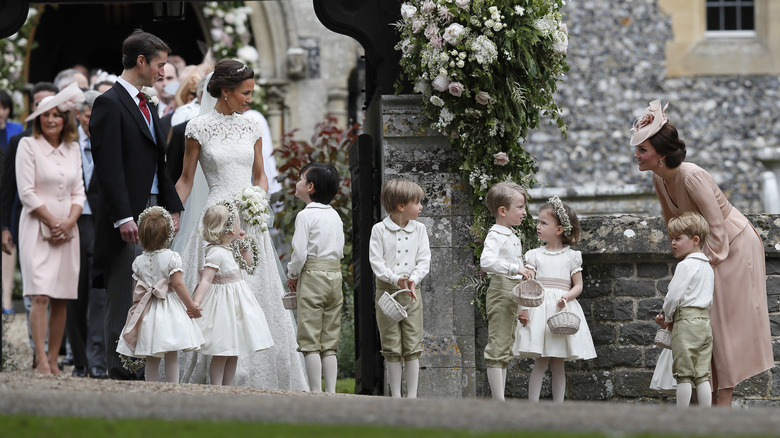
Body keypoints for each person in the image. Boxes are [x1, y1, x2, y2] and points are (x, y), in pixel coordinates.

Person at [175, 59, 308, 390]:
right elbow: (186, 179)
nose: (250, 100)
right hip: (215, 218)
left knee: (251, 289)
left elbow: (261, 174)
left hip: (248, 221)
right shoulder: (197, 128)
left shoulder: (252, 127)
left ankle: (255, 372)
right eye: (245, 93)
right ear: (225, 91)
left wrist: (258, 201)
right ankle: (210, 369)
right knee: (214, 287)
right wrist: (171, 216)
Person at [631, 99, 774, 406]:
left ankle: (720, 403)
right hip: (705, 251)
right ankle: (698, 397)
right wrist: (687, 261)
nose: (636, 156)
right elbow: (675, 223)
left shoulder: (691, 175)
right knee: (699, 319)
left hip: (734, 246)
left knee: (721, 324)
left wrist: (700, 264)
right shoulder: (659, 177)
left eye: (642, 150)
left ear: (661, 154)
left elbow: (718, 228)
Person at [89, 29, 184, 380]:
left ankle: (146, 373)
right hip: (128, 214)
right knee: (127, 294)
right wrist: (124, 217)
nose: (163, 72)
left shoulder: (147, 103)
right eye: (160, 65)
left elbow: (159, 163)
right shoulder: (109, 103)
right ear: (141, 62)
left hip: (155, 209)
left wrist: (171, 206)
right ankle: (120, 374)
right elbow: (109, 166)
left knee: (154, 293)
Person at [16, 83, 86, 375]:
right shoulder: (27, 145)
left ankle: (55, 359)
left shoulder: (72, 148)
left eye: (57, 115)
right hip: (36, 227)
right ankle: (41, 359)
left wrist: (69, 221)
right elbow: (26, 192)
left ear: (64, 118)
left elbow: (79, 191)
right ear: (38, 118)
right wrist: (52, 221)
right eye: (46, 115)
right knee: (40, 294)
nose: (51, 120)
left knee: (61, 297)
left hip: (68, 231)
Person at [513, 196, 596, 403]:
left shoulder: (571, 256)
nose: (538, 227)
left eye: (543, 223)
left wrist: (567, 296)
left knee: (558, 362)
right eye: (537, 222)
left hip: (560, 309)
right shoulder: (533, 255)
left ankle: (558, 407)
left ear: (559, 230)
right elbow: (528, 287)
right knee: (541, 362)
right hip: (540, 310)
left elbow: (578, 285)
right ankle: (533, 406)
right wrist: (524, 309)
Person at [1, 82, 58, 365]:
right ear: (33, 108)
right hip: (27, 224)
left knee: (58, 289)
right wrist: (4, 227)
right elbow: (8, 189)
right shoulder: (19, 142)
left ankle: (55, 350)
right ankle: (40, 351)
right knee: (34, 290)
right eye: (40, 105)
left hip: (63, 226)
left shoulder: (68, 143)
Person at [116, 206, 203, 383]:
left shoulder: (138, 261)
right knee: (171, 352)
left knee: (152, 354)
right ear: (168, 235)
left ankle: (151, 387)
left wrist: (136, 313)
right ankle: (173, 387)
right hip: (169, 309)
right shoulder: (171, 257)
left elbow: (137, 292)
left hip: (148, 310)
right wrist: (191, 305)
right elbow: (178, 284)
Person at [191, 202, 274, 386]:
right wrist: (195, 302)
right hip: (223, 306)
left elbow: (249, 264)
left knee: (234, 351)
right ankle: (217, 387)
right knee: (222, 350)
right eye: (237, 224)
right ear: (228, 230)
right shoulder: (215, 253)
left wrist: (243, 246)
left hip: (237, 303)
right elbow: (206, 280)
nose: (240, 227)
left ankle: (228, 388)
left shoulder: (230, 248)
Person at [368, 179, 430, 398]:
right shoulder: (379, 230)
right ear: (401, 206)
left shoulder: (420, 229)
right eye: (417, 202)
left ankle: (411, 397)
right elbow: (376, 262)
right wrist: (395, 279)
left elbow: (424, 260)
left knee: (413, 343)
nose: (421, 206)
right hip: (386, 292)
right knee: (391, 344)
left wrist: (413, 279)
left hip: (412, 293)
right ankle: (395, 396)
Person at [286, 162, 345, 393]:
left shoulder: (305, 216)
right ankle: (331, 391)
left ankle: (315, 391)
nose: (297, 183)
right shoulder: (335, 216)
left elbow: (300, 252)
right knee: (329, 339)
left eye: (300, 179)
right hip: (335, 274)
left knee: (310, 336)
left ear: (310, 187)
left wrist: (293, 274)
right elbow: (339, 248)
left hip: (312, 274)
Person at [66, 90, 108, 378]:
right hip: (72, 222)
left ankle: (97, 357)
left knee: (99, 290)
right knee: (74, 290)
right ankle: (79, 359)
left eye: (97, 116)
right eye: (87, 115)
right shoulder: (67, 145)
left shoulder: (109, 141)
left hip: (102, 222)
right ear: (79, 114)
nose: (92, 120)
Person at [480, 181, 534, 401]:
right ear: (502, 211)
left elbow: (515, 268)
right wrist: (515, 268)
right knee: (498, 345)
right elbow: (486, 261)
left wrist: (522, 306)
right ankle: (498, 401)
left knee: (506, 346)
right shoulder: (496, 235)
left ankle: (499, 399)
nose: (524, 212)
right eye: (520, 207)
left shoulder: (511, 235)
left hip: (512, 291)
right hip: (502, 290)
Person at [654, 212, 714, 408]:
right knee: (702, 374)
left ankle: (683, 418)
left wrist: (668, 317)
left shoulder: (686, 265)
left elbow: (673, 296)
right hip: (704, 323)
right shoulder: (708, 267)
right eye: (672, 238)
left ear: (695, 240)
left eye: (678, 238)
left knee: (684, 374)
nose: (673, 242)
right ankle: (706, 419)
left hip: (686, 323)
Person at [0, 89, 23, 315]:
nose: (0, 111)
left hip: (10, 198)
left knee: (9, 245)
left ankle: (7, 300)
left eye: (4, 106)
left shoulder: (16, 131)